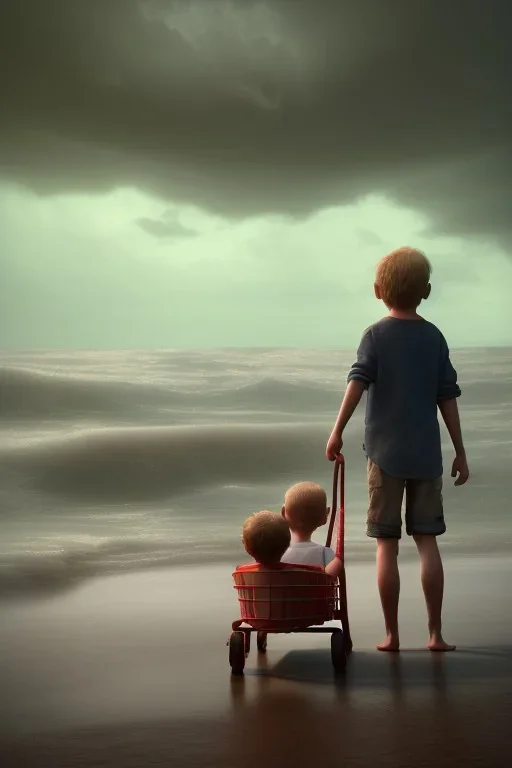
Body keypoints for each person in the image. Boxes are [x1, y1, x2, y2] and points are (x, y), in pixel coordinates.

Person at [326, 246, 469, 653]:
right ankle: (435, 634)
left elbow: (357, 383)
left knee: (386, 545)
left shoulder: (374, 336)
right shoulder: (434, 336)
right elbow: (447, 397)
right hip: (426, 456)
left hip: (384, 457)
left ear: (377, 290)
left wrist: (336, 432)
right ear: (426, 290)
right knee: (427, 542)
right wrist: (460, 450)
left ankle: (391, 635)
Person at [280, 481, 343, 578]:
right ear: (325, 517)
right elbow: (329, 579)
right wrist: (338, 561)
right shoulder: (325, 554)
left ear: (283, 512)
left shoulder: (275, 553)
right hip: (315, 593)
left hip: (282, 593)